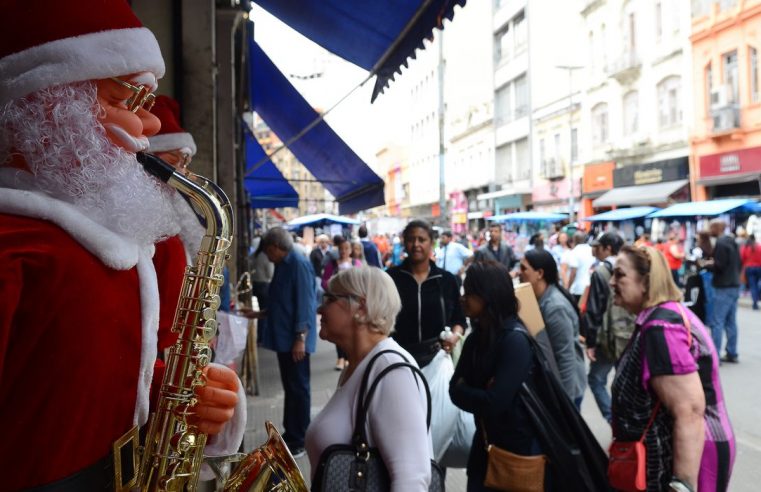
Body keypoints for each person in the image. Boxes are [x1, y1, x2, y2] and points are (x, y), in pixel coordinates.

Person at [0, 2, 241, 488]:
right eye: (127, 101)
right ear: (46, 106)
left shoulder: (121, 242)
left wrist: (186, 398)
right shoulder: (15, 245)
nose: (149, 132)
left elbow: (89, 379)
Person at [609, 245, 735, 491]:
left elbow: (689, 411)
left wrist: (682, 485)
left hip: (688, 455)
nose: (611, 281)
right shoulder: (662, 315)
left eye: (620, 274)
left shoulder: (661, 328)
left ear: (646, 281)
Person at [306, 267, 432, 491]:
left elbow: (412, 479)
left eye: (329, 298)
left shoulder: (391, 370)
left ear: (361, 308)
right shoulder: (359, 365)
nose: (319, 308)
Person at [449, 261, 546, 492]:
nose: (463, 297)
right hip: (483, 447)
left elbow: (495, 402)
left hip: (515, 453)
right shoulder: (475, 340)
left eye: (470, 291)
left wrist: (469, 389)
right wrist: (480, 392)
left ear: (488, 295)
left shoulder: (514, 340)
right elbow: (453, 390)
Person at [258, 227, 317, 456]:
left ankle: (299, 438)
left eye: (268, 251)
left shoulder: (298, 264)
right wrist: (261, 314)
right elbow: (281, 301)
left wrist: (300, 338)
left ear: (275, 247)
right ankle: (291, 433)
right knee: (291, 388)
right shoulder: (283, 265)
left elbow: (305, 303)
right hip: (285, 338)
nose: (267, 256)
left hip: (295, 341)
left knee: (299, 388)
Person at [387, 220, 466, 367]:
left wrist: (454, 336)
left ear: (431, 243)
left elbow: (459, 319)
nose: (416, 244)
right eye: (411, 239)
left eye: (422, 239)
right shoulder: (391, 279)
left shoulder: (446, 280)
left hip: (438, 358)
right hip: (398, 359)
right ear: (404, 243)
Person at [519, 249, 587, 408]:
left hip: (567, 389)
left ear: (540, 273)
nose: (519, 273)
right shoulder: (541, 299)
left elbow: (565, 357)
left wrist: (565, 405)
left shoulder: (555, 307)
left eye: (524, 269)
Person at [583, 232, 635, 423]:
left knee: (596, 380)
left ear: (608, 249)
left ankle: (614, 420)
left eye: (600, 247)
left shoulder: (601, 273)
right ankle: (627, 420)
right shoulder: (631, 269)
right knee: (624, 380)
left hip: (607, 337)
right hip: (628, 334)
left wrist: (590, 341)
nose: (596, 250)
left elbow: (594, 309)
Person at [322, 235, 361, 370]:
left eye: (346, 248)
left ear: (350, 250)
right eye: (341, 249)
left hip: (353, 303)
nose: (343, 251)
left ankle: (350, 357)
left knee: (352, 330)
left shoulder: (356, 264)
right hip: (337, 302)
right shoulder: (332, 265)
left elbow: (361, 281)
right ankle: (340, 358)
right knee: (339, 329)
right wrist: (335, 286)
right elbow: (324, 282)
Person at [707, 219, 742, 363]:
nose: (709, 230)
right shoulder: (732, 241)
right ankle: (732, 352)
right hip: (734, 284)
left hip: (723, 286)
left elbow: (720, 266)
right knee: (730, 321)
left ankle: (715, 354)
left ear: (717, 228)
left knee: (717, 322)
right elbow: (738, 263)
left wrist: (709, 265)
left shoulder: (721, 243)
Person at [566, 231, 595, 306]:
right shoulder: (591, 250)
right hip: (590, 287)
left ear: (574, 240)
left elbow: (573, 273)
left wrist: (568, 288)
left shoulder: (575, 252)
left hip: (577, 289)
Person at [740, 233, 761, 310]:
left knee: (753, 286)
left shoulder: (745, 247)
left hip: (749, 268)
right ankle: (757, 297)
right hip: (759, 268)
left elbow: (742, 258)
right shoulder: (759, 247)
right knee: (758, 284)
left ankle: (755, 302)